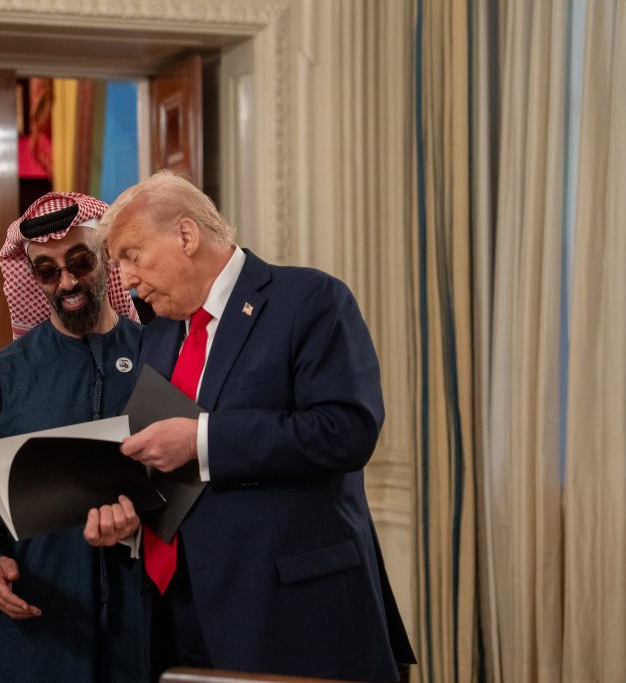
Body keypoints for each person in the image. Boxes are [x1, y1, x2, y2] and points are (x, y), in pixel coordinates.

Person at [88, 170, 416, 682]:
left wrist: (200, 439)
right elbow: (164, 469)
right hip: (174, 610)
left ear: (186, 235)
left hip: (287, 610)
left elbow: (346, 430)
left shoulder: (309, 300)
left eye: (132, 255)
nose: (125, 278)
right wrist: (126, 518)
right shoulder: (156, 335)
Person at [0, 192, 148, 682]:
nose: (68, 283)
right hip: (39, 628)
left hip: (142, 623)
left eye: (80, 262)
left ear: (107, 258)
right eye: (48, 271)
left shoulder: (159, 356)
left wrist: (142, 524)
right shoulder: (1, 379)